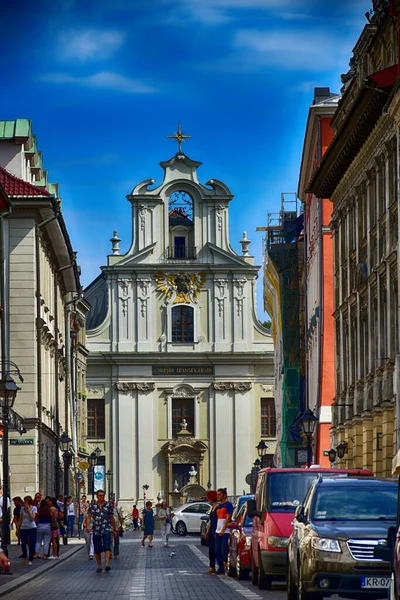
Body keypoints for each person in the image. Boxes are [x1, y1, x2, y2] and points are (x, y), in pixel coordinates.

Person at [86, 489, 117, 573]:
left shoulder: (108, 505)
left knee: (107, 546)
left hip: (106, 528)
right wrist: (87, 526)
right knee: (97, 548)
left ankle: (107, 564)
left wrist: (114, 529)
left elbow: (111, 518)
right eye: (100, 495)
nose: (102, 497)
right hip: (96, 529)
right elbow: (89, 516)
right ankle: (99, 565)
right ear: (97, 496)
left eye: (103, 495)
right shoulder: (93, 506)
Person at [214, 488, 233, 575]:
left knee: (223, 550)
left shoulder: (228, 505)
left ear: (224, 495)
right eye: (217, 495)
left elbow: (228, 518)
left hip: (225, 531)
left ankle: (225, 563)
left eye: (219, 495)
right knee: (217, 550)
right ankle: (221, 567)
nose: (218, 496)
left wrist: (223, 529)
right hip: (218, 531)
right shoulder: (218, 506)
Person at [17, 496, 38, 566]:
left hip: (32, 527)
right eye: (24, 501)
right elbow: (20, 519)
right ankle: (25, 555)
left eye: (26, 501)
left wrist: (29, 510)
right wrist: (18, 528)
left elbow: (32, 518)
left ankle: (30, 559)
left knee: (32, 543)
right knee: (23, 543)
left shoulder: (34, 508)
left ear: (29, 501)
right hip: (24, 527)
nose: (25, 502)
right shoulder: (22, 509)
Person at [205, 490, 218, 574]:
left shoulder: (217, 507)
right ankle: (212, 566)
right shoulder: (212, 507)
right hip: (211, 530)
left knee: (216, 549)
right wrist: (208, 530)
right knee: (211, 550)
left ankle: (218, 566)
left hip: (216, 530)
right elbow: (210, 520)